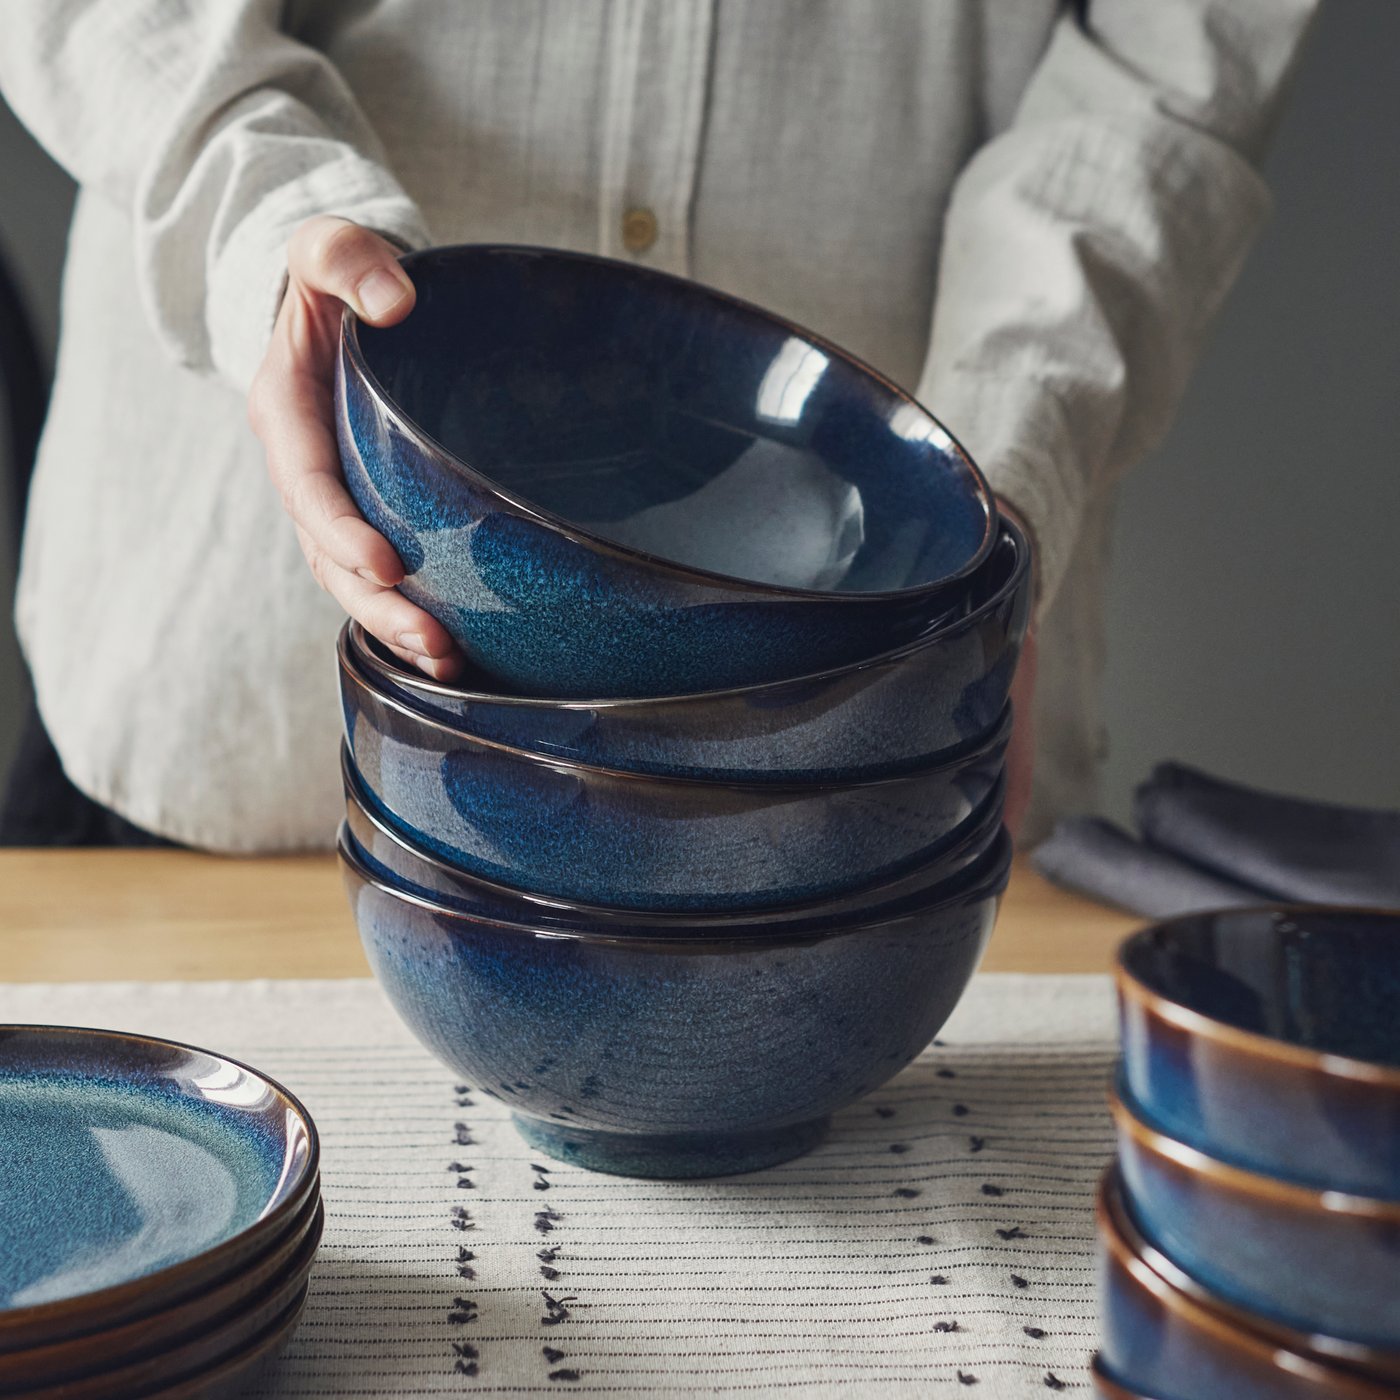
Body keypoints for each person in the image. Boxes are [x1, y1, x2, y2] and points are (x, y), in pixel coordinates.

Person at [0, 0, 1317, 852]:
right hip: (236, 673)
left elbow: (1174, 66)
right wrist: (261, 206)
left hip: (870, 715)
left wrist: (998, 470)